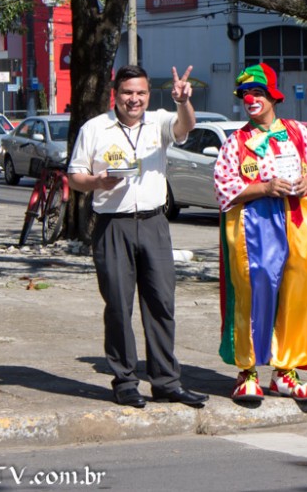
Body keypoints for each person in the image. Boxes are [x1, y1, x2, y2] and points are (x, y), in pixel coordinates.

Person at [67, 64, 208, 408]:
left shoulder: (159, 122)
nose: (134, 99)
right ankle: (125, 381)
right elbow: (74, 176)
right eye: (128, 92)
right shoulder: (94, 128)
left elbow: (186, 126)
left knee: (161, 304)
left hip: (153, 223)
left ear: (148, 95)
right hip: (112, 225)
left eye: (141, 93)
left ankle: (166, 382)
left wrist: (183, 102)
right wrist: (97, 182)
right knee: (118, 305)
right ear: (115, 94)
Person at [213, 63, 307, 403]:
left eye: (258, 93)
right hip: (253, 224)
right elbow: (224, 186)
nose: (251, 99)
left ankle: (286, 372)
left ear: (273, 97)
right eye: (246, 94)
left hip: (298, 220)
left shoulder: (297, 132)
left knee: (298, 289)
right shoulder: (236, 142)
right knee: (254, 289)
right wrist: (264, 188)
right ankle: (247, 372)